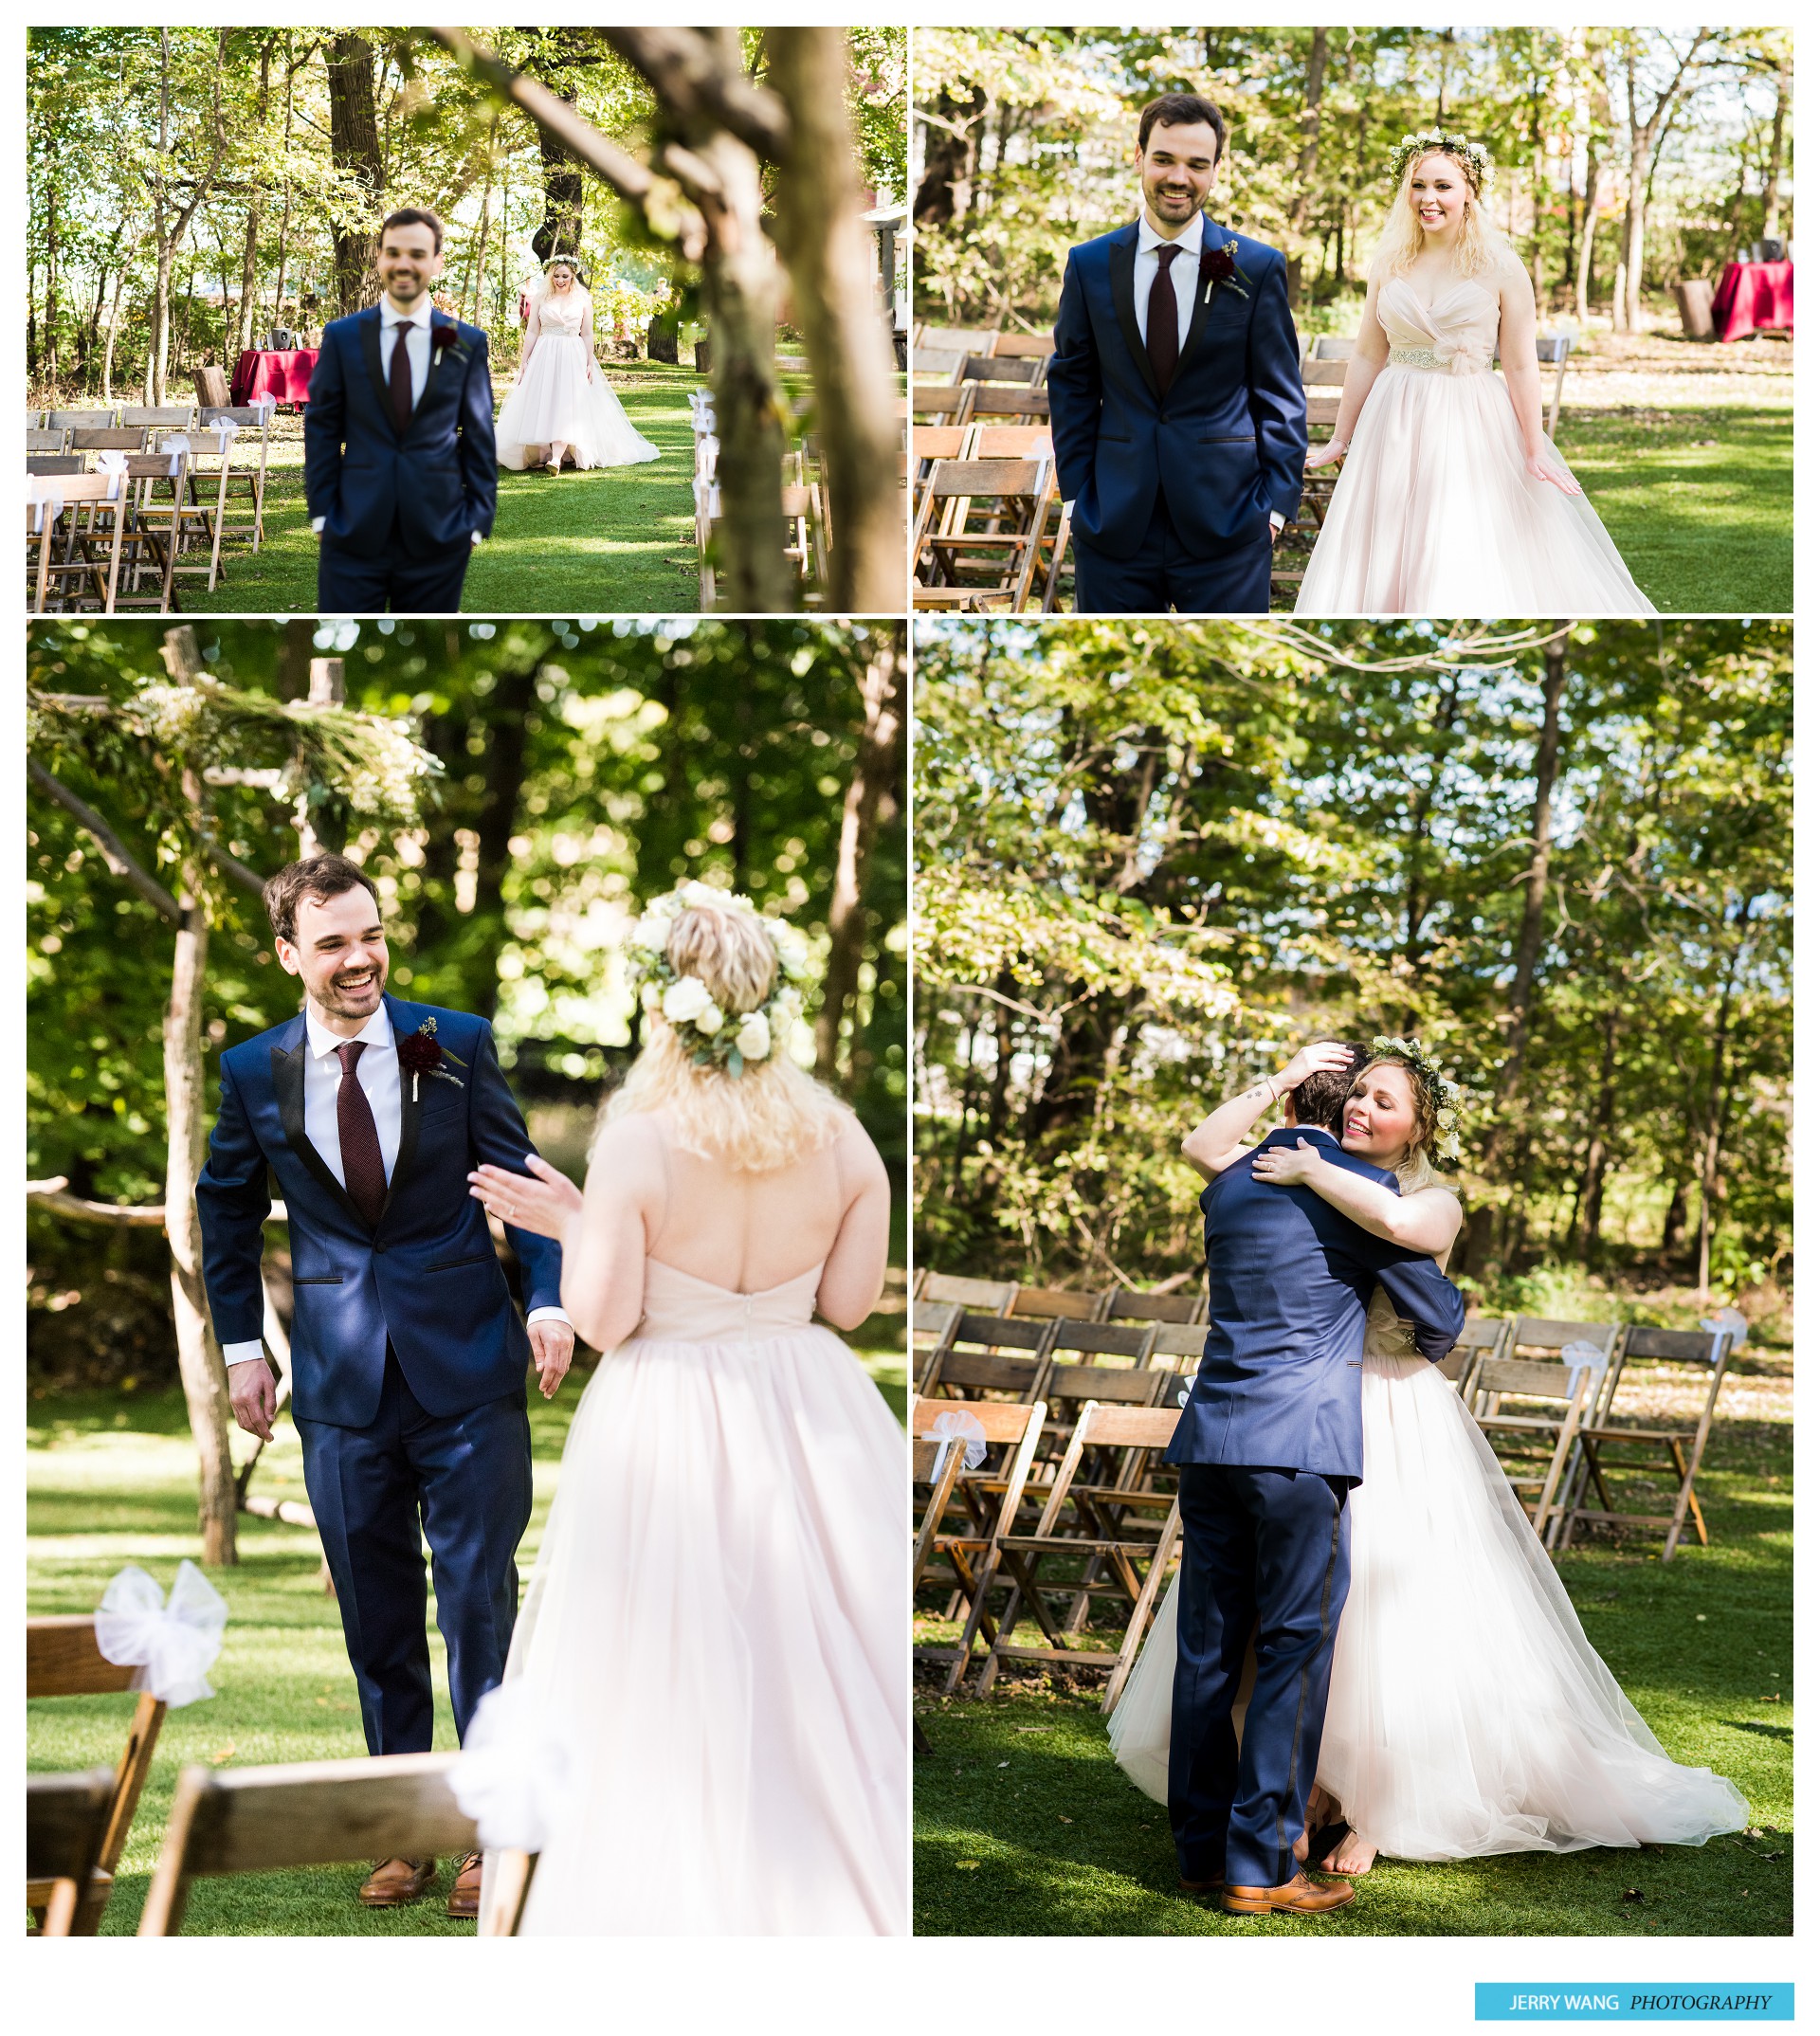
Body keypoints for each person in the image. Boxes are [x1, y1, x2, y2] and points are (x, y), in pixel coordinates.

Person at [1112, 1038, 1748, 1876]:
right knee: (1297, 1635)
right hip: (1316, 1422)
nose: (1363, 1109)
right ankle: (1277, 1829)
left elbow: (1384, 1221)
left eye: (1386, 1102)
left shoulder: (1374, 1193)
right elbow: (1439, 1317)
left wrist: (1305, 1148)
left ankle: (1359, 1808)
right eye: (1359, 1094)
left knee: (1379, 1620)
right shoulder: (1307, 1179)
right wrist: (1311, 1152)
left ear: (1418, 1133)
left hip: (1350, 1418)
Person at [456, 883, 907, 1936]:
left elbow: (609, 1320)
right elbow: (844, 1304)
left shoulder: (642, 1140)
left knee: (660, 1661)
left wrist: (578, 1226)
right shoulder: (843, 1138)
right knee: (815, 1654)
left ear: (665, 1006)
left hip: (670, 1412)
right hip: (809, 1413)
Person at [195, 854, 575, 1920]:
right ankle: (402, 1827)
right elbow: (224, 1213)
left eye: (369, 936)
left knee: (478, 1603)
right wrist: (240, 1347)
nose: (359, 959)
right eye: (331, 944)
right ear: (289, 956)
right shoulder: (251, 1071)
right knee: (376, 1616)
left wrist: (546, 1301)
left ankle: (486, 1834)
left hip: (467, 1372)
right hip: (338, 1385)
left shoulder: (453, 1044)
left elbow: (527, 1189)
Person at [1157, 1040, 1466, 1918]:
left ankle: (1198, 1853)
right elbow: (1438, 1313)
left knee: (1208, 1655)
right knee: (1294, 1651)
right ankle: (1261, 1868)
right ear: (1346, 1114)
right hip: (1300, 1450)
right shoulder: (1359, 1208)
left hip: (1210, 1439)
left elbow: (1203, 1145)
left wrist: (1275, 1079)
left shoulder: (1233, 1183)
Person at [1295, 132, 1656, 614]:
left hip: (1468, 415)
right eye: (1418, 185)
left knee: (1450, 534)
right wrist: (1341, 437)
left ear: (1470, 192)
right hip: (1394, 416)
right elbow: (1366, 355)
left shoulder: (1501, 267)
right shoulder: (1388, 262)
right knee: (1387, 536)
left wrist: (1532, 448)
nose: (1428, 199)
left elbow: (1521, 364)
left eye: (1443, 186)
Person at [1046, 91, 1306, 614]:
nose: (1178, 178)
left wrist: (1274, 509)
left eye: (1196, 164)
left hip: (1230, 524)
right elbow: (1072, 383)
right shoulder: (1090, 264)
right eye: (1164, 159)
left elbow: (1280, 394)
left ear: (1215, 171)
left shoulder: (1255, 267)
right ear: (1139, 157)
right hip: (1114, 526)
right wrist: (1077, 497)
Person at [302, 209, 498, 612]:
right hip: (352, 534)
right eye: (393, 252)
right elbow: (322, 428)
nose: (403, 264)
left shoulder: (464, 343)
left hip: (439, 536)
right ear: (379, 257)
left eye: (416, 253)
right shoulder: (343, 337)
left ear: (436, 261)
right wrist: (322, 515)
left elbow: (478, 435)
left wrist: (476, 522)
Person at [494, 258, 660, 474]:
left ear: (572, 276)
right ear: (550, 276)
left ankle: (556, 457)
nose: (560, 280)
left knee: (567, 401)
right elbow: (533, 331)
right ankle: (548, 454)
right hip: (544, 354)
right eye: (556, 275)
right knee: (545, 400)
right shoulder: (541, 298)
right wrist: (524, 361)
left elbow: (587, 334)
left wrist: (589, 362)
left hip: (572, 354)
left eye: (564, 275)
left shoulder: (582, 299)